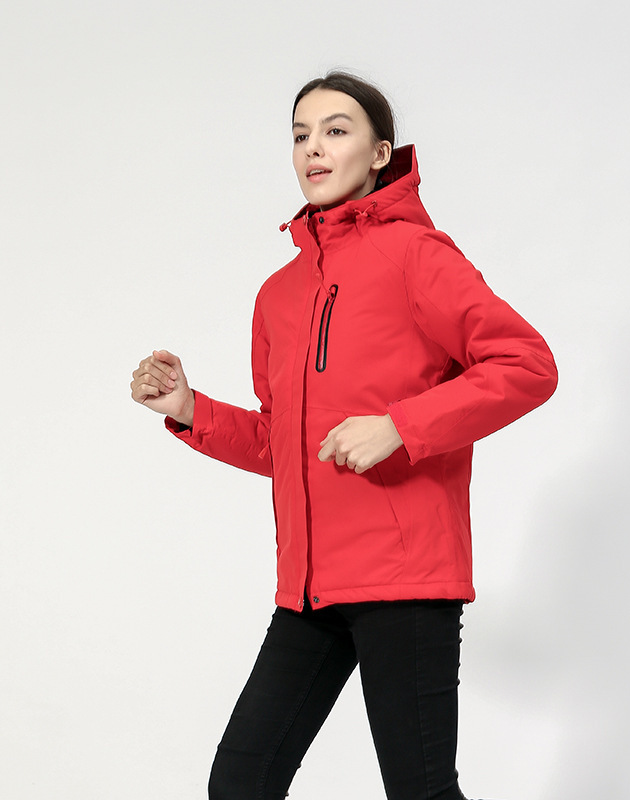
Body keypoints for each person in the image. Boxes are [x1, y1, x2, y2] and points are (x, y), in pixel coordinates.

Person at [131, 71, 557, 800]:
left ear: (380, 153)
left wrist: (401, 426)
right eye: (301, 135)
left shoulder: (418, 255)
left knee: (420, 793)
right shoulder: (279, 294)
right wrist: (191, 408)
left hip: (405, 578)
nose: (313, 149)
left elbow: (527, 365)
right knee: (241, 781)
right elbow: (283, 446)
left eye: (336, 130)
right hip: (310, 588)